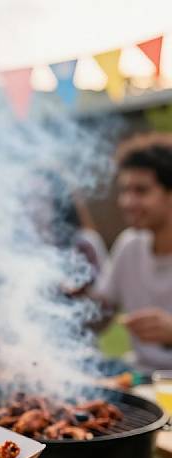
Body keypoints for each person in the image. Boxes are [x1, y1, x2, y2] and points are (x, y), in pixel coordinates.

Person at [94, 133, 172, 374]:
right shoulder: (129, 245)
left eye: (141, 190)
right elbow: (100, 312)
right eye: (124, 190)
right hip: (142, 382)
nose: (127, 201)